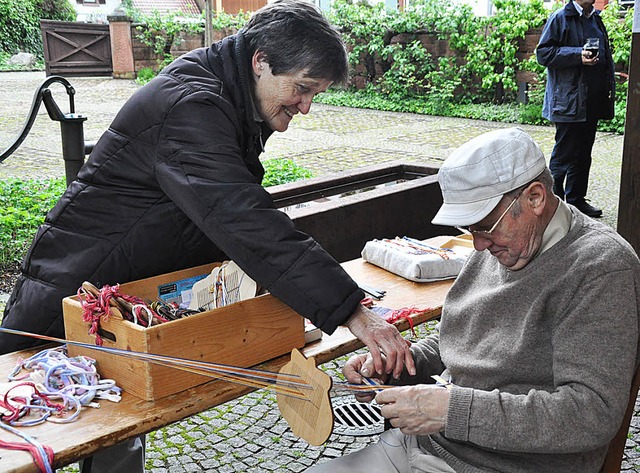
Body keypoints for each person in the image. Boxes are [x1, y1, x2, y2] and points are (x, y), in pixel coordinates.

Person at [0, 1, 414, 471]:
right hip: (73, 287)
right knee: (29, 429)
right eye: (301, 89)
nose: (306, 105)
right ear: (260, 61)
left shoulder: (228, 90)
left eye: (314, 92)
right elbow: (243, 218)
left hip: (124, 295)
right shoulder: (192, 106)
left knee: (117, 420)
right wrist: (349, 310)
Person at [307, 127, 640, 473]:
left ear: (536, 198)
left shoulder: (601, 268)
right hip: (423, 446)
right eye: (469, 230)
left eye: (484, 226)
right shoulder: (501, 245)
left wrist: (448, 410)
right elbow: (463, 337)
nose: (478, 245)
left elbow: (589, 413)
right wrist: (399, 366)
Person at [536, 0, 615, 218]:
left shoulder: (595, 19)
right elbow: (544, 53)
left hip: (591, 101)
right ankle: (554, 205)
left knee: (583, 154)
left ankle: (577, 200)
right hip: (569, 100)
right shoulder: (561, 17)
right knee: (564, 154)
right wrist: (577, 54)